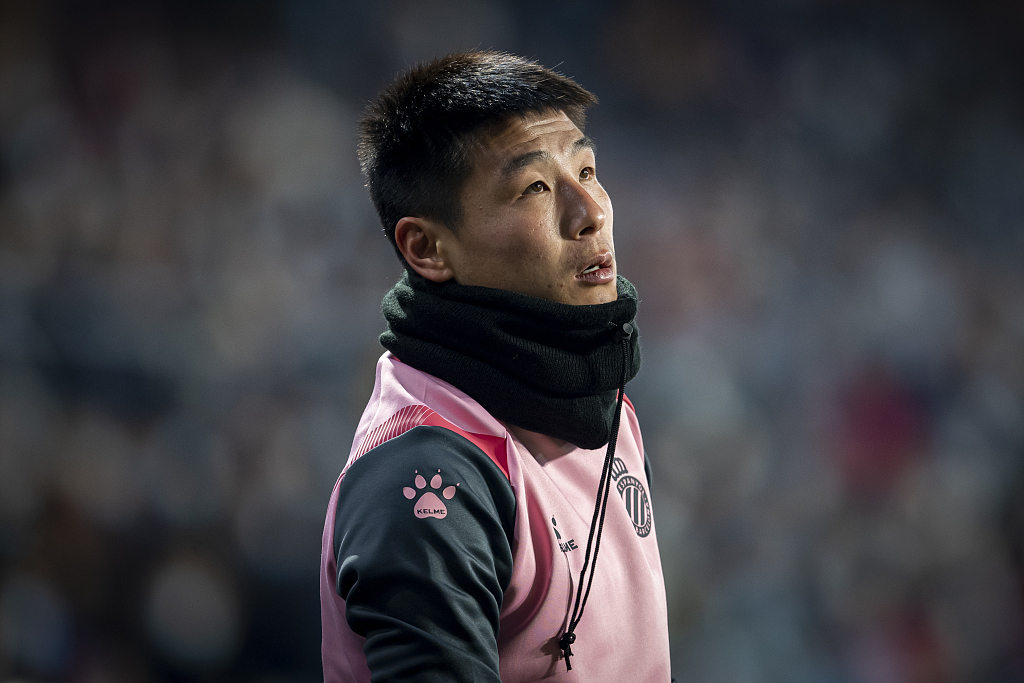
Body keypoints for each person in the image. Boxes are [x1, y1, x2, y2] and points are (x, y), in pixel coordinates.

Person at [320, 51, 671, 682]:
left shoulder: (599, 402)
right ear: (427, 248)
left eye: (586, 170)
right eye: (535, 187)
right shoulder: (428, 473)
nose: (590, 213)